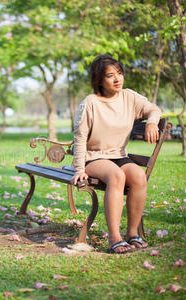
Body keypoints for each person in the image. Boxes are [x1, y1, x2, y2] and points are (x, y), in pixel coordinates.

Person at [70, 54, 161, 254]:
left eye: (119, 73)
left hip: (119, 155)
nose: (117, 79)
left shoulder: (129, 97)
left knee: (138, 175)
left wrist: (152, 122)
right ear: (99, 80)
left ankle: (132, 234)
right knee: (117, 176)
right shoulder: (90, 102)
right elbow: (80, 137)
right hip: (94, 157)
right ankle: (114, 238)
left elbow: (154, 109)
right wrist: (78, 168)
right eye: (110, 76)